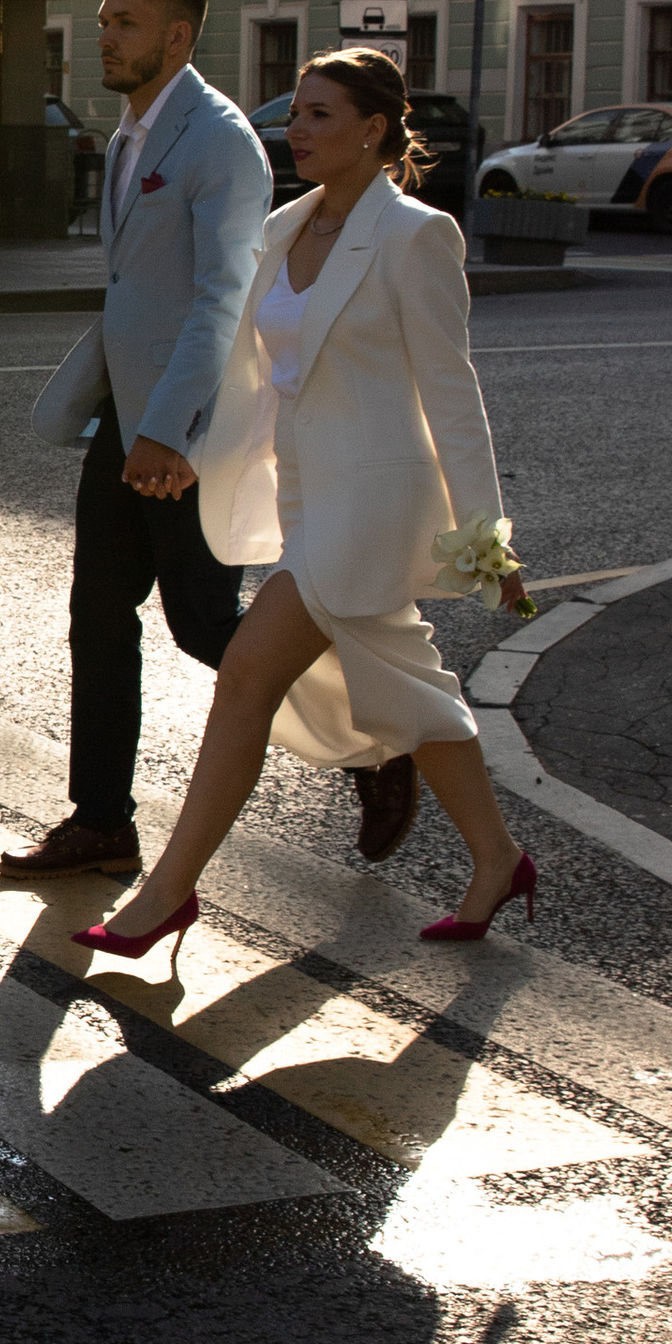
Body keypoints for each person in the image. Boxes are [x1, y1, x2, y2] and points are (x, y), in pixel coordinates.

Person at [75, 47, 539, 963]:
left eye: (322, 115)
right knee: (412, 694)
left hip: (375, 504)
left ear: (374, 127)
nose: (300, 129)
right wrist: (191, 454)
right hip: (305, 502)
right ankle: (498, 860)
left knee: (247, 671)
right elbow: (259, 380)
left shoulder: (414, 236)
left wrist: (487, 540)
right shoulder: (287, 229)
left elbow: (454, 394)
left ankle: (166, 892)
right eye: (296, 115)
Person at [6, 0, 284, 887]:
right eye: (105, 19)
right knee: (99, 616)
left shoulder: (219, 141)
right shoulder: (132, 132)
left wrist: (167, 430)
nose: (105, 34)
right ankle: (100, 823)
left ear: (176, 35)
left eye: (124, 21)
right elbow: (136, 290)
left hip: (187, 428)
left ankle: (376, 743)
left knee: (207, 627)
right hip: (131, 419)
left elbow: (221, 303)